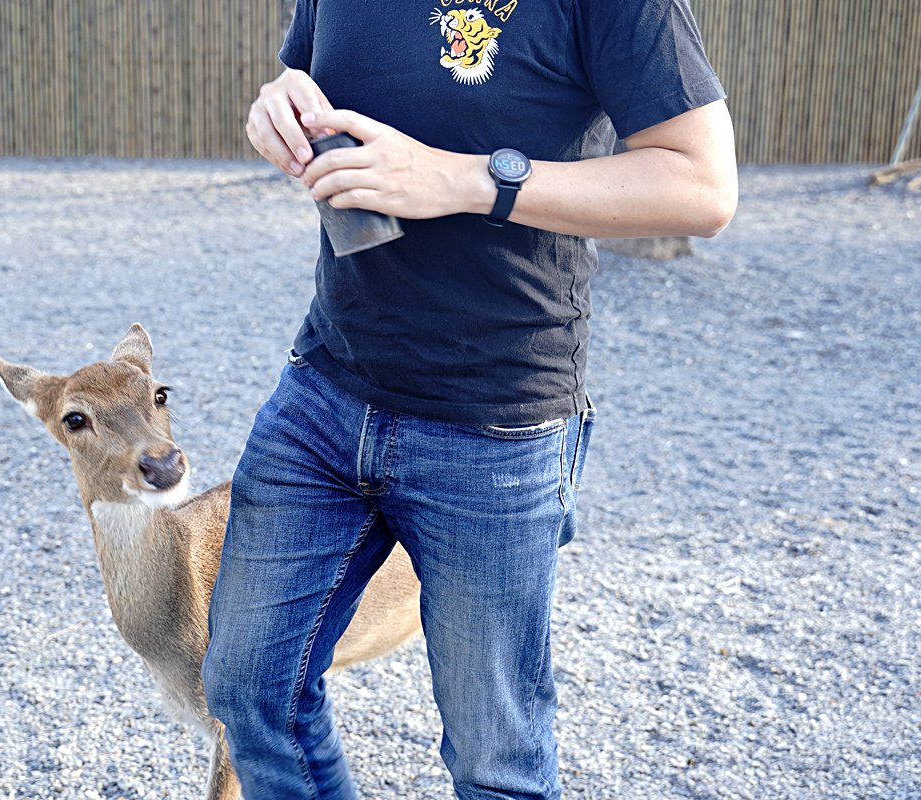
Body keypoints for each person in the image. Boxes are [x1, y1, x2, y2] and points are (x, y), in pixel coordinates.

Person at [200, 1, 738, 799]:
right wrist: (275, 105)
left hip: (497, 423)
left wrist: (460, 178)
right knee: (249, 693)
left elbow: (701, 187)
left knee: (497, 766)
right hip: (323, 390)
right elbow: (303, 76)